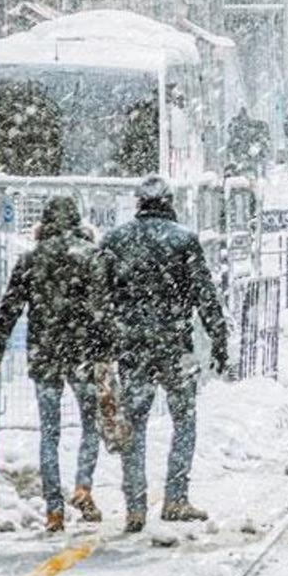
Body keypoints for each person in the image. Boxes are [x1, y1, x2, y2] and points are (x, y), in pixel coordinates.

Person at [100, 176, 229, 532]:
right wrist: (219, 339)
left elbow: (99, 298)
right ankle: (175, 496)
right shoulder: (183, 240)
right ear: (169, 201)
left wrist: (101, 343)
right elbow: (205, 296)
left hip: (132, 347)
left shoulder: (115, 240)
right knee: (184, 419)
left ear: (138, 202)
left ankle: (136, 505)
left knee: (134, 425)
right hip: (175, 345)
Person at [0, 198, 113, 532]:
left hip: (45, 354)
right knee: (90, 424)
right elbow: (103, 310)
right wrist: (105, 351)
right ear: (78, 223)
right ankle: (83, 487)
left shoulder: (31, 259)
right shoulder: (91, 257)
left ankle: (54, 509)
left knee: (49, 432)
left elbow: (9, 308)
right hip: (83, 354)